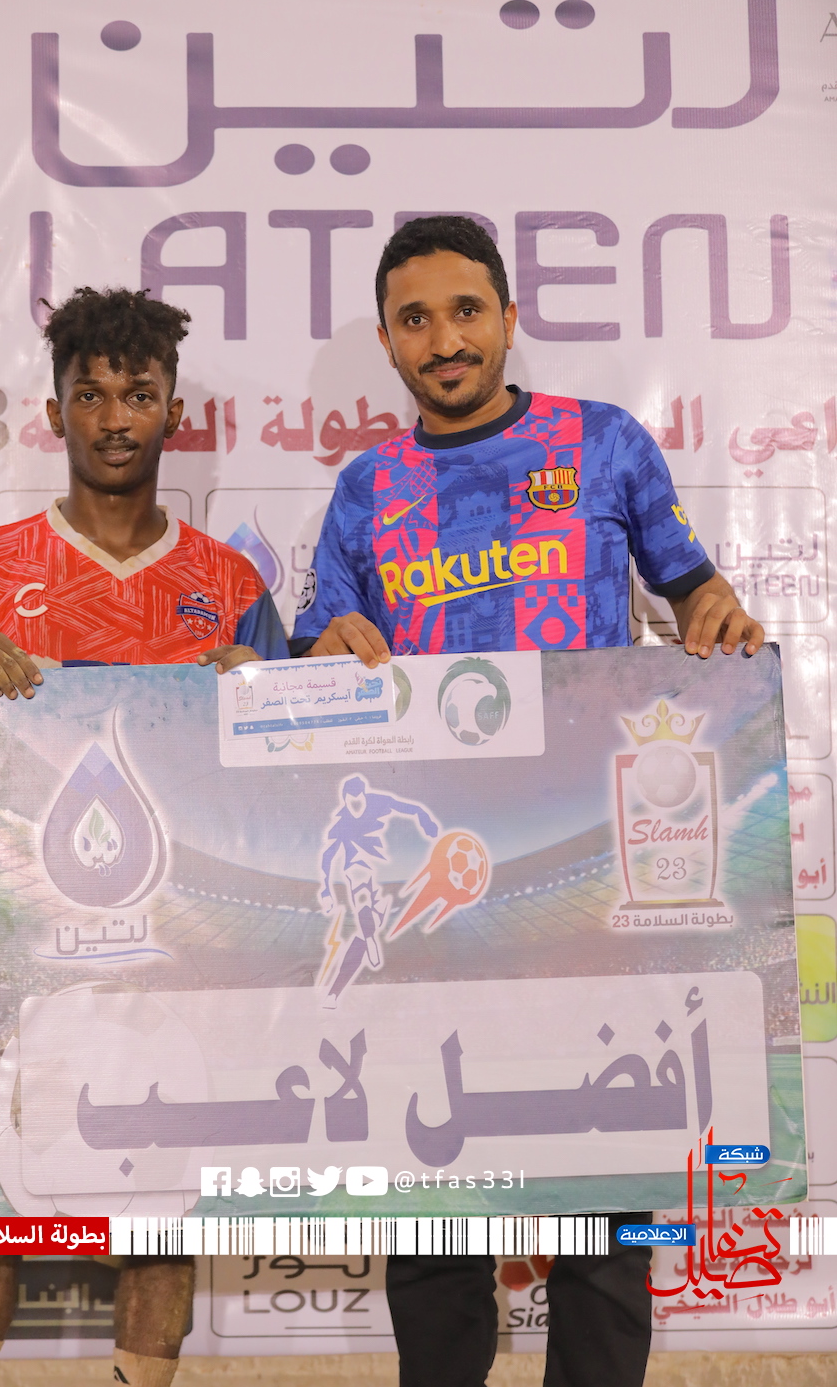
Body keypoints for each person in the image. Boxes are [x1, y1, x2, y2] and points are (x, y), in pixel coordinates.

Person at [291, 216, 764, 1387]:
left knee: (604, 1197)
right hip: (429, 890)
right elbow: (316, 655)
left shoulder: (601, 445)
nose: (443, 340)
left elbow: (692, 588)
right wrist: (325, 646)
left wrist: (712, 610)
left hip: (581, 864)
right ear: (389, 343)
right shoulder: (364, 489)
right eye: (414, 320)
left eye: (465, 311)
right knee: (430, 1204)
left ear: (507, 318)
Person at [0, 287, 287, 1387]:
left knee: (159, 1216)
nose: (115, 418)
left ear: (173, 413)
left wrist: (259, 703)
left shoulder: (229, 583)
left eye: (139, 394)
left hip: (182, 948)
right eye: (92, 394)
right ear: (55, 410)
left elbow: (277, 799)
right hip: (19, 945)